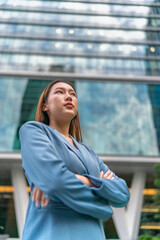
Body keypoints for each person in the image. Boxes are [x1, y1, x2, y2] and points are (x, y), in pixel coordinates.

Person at [19, 80, 130, 240]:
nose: (68, 97)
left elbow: (122, 194)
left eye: (73, 94)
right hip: (51, 233)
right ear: (45, 106)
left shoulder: (88, 152)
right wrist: (103, 199)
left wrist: (84, 180)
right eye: (60, 92)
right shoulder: (34, 131)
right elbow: (54, 181)